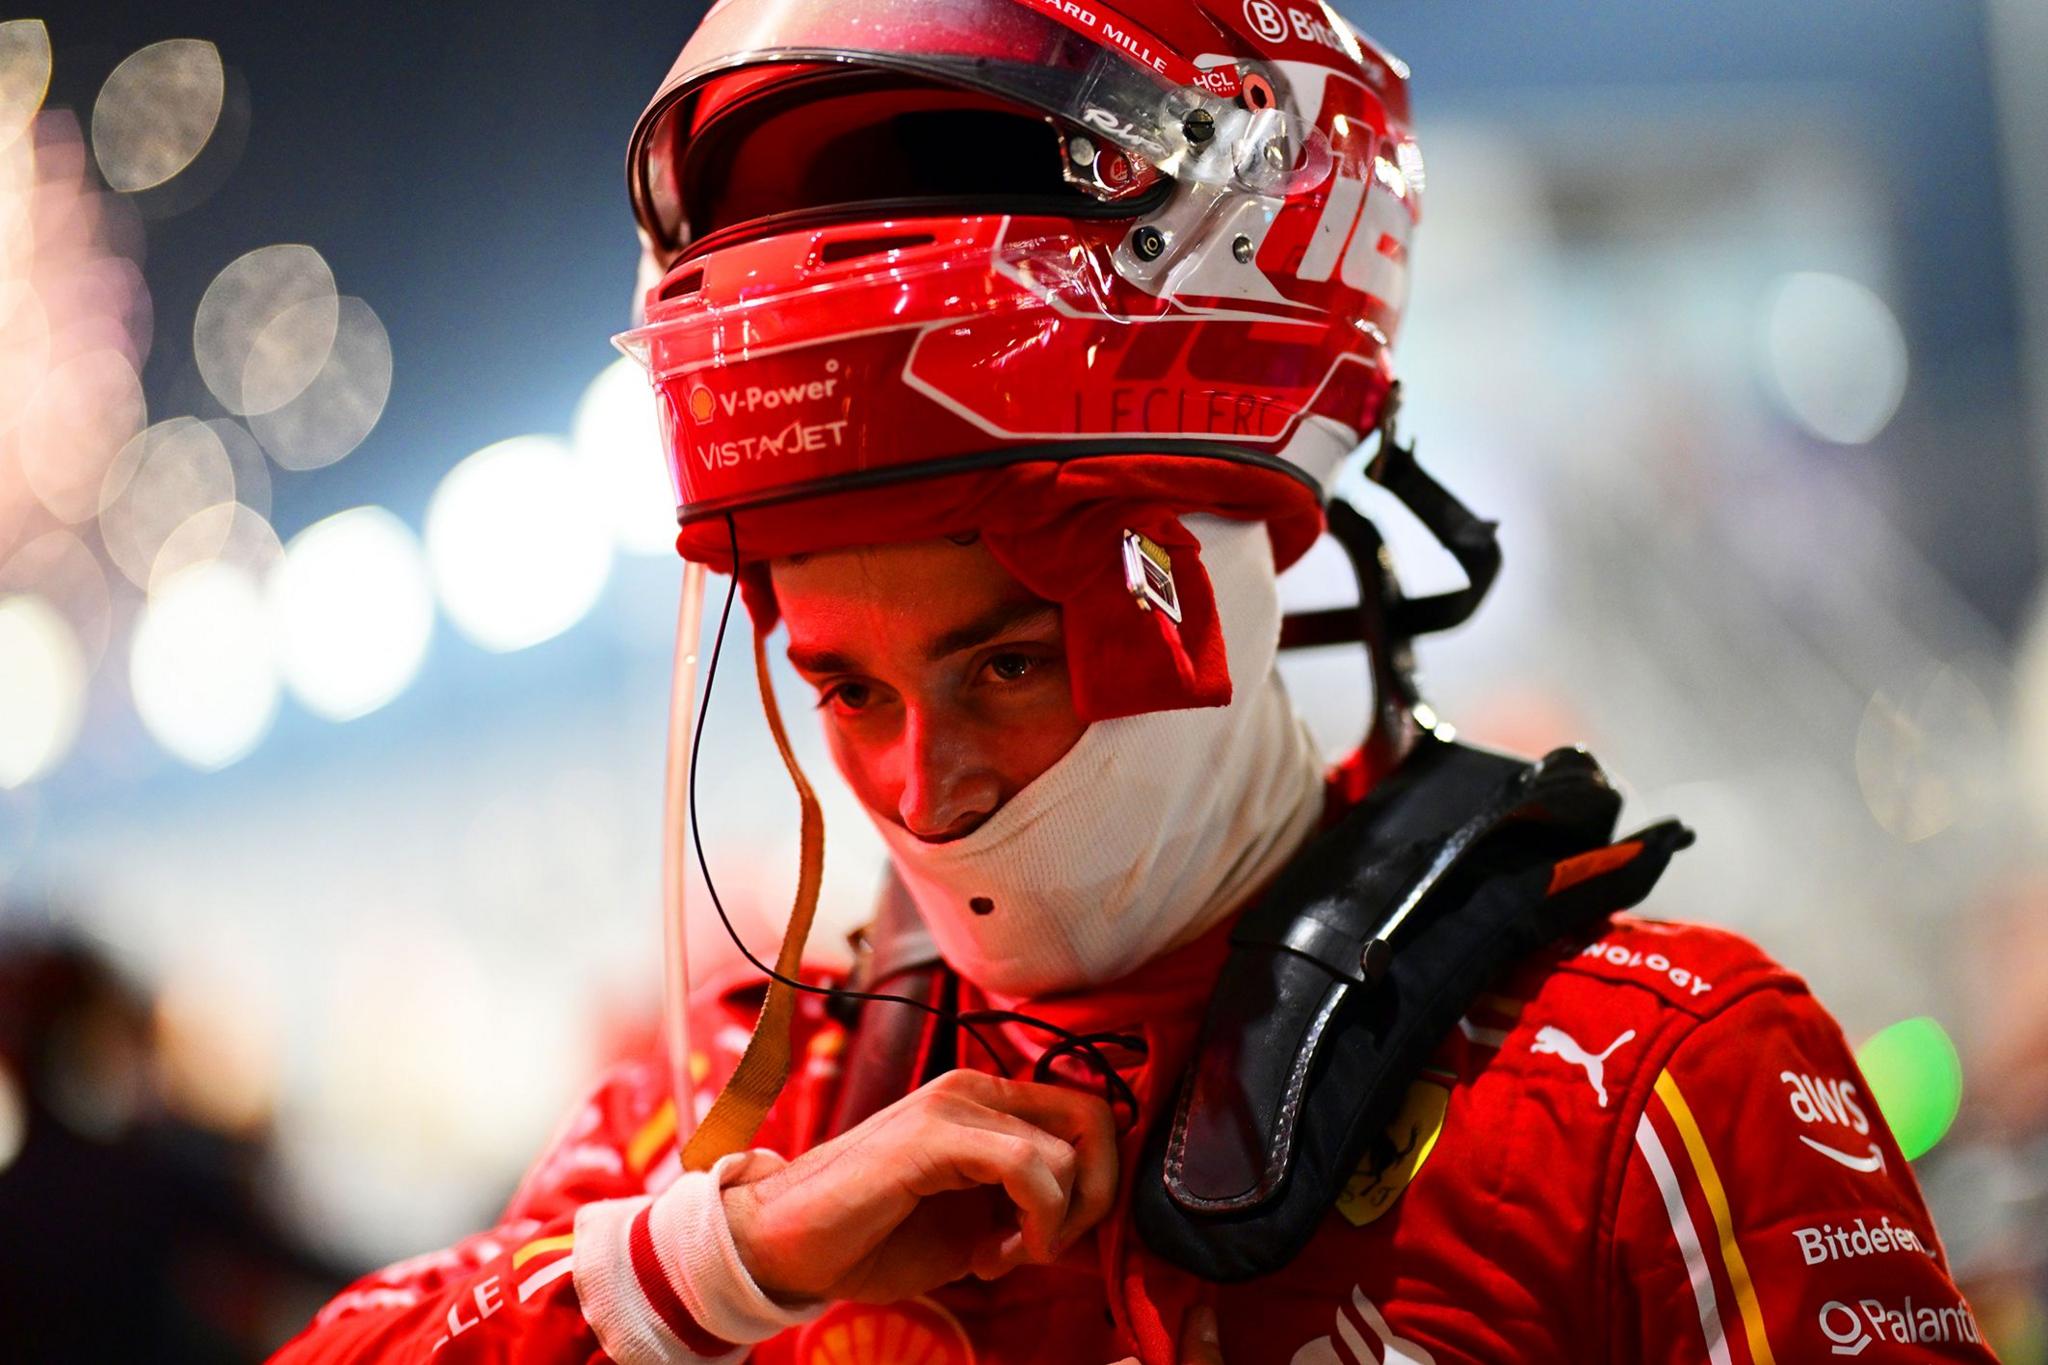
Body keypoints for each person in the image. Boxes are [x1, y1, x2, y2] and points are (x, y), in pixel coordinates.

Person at [272, 1, 2000, 1361]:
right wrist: (725, 1264)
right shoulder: (760, 1104)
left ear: (1245, 571)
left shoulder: (1646, 1078)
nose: (924, 786)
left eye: (1006, 656)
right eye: (849, 691)